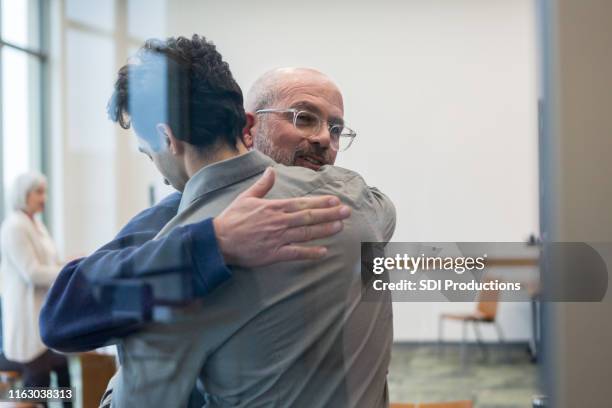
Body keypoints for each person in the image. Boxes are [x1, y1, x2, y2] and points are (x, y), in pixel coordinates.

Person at [97, 35, 395, 407]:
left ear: (166, 138)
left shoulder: (176, 260)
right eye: (303, 118)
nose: (322, 139)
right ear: (247, 126)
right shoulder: (356, 200)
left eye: (335, 130)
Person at [0, 172, 71, 406]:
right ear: (24, 194)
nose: (44, 198)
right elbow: (32, 272)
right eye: (39, 192)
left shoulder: (37, 224)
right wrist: (66, 272)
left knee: (63, 368)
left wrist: (70, 264)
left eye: (45, 192)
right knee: (39, 381)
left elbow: (51, 263)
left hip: (42, 316)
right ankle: (19, 402)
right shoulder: (14, 227)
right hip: (25, 318)